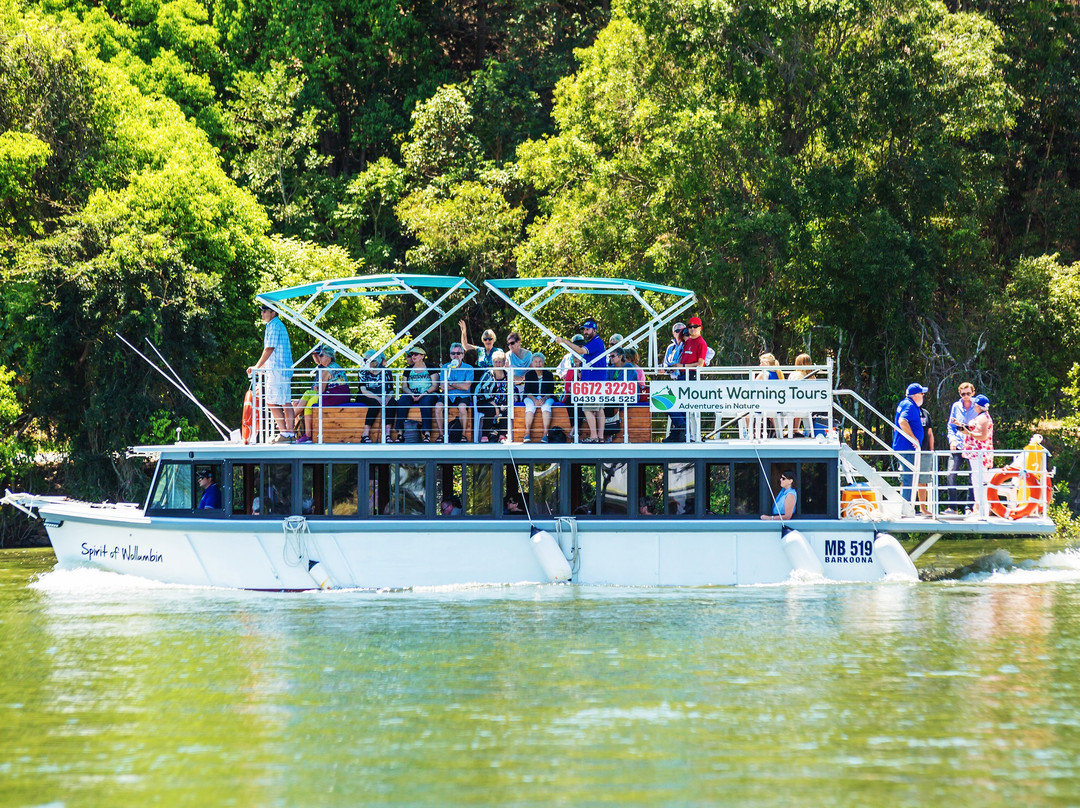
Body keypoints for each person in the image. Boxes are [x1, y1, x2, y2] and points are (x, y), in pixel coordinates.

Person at [248, 303, 295, 443]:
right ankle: (289, 434)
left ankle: (285, 434)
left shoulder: (274, 325)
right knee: (285, 402)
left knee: (271, 401)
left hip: (277, 370)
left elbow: (269, 348)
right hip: (281, 369)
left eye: (264, 311)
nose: (262, 314)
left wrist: (257, 366)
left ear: (273, 312)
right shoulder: (278, 325)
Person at [555, 318, 607, 442]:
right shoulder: (596, 342)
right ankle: (599, 436)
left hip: (593, 382)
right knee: (599, 409)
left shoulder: (596, 342)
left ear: (594, 330)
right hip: (596, 381)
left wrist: (563, 341)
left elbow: (580, 350)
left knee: (588, 409)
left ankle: (594, 437)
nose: (585, 332)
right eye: (584, 329)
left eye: (588, 329)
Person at [291, 344, 351, 444]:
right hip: (341, 395)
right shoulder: (336, 367)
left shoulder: (326, 370)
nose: (319, 357)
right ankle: (290, 420)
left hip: (334, 397)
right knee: (308, 393)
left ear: (329, 357)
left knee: (309, 403)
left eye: (322, 355)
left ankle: (308, 435)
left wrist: (317, 389)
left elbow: (321, 391)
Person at [667, 316, 708, 442]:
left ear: (700, 328)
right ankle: (680, 430)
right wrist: (675, 366)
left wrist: (682, 366)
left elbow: (700, 364)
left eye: (694, 327)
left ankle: (681, 429)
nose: (692, 329)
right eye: (690, 327)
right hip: (681, 375)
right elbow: (682, 355)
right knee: (671, 404)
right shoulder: (688, 342)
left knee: (674, 403)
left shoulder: (701, 343)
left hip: (691, 377)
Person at [390, 347, 437, 442]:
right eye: (412, 354)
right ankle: (400, 433)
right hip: (412, 393)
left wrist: (424, 393)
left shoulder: (430, 367)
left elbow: (435, 385)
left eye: (416, 354)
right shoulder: (408, 369)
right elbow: (404, 386)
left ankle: (427, 433)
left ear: (422, 356)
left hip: (428, 393)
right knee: (402, 401)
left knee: (426, 402)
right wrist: (411, 394)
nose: (413, 356)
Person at [944, 382, 977, 515]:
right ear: (959, 394)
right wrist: (952, 440)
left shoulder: (977, 406)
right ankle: (953, 507)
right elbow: (951, 426)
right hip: (958, 445)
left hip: (972, 445)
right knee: (950, 474)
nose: (966, 396)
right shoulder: (956, 406)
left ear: (973, 393)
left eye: (968, 393)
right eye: (963, 394)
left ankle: (969, 507)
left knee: (973, 476)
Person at [892, 383, 926, 503]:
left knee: (908, 476)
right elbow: (902, 421)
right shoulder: (910, 406)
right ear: (916, 395)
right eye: (922, 394)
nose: (923, 396)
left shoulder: (904, 403)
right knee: (909, 477)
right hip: (907, 447)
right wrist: (913, 438)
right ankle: (905, 506)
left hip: (903, 446)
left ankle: (905, 504)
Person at [962, 394, 994, 519]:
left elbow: (982, 436)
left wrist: (967, 432)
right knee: (977, 480)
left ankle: (981, 509)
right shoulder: (982, 417)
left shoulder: (983, 418)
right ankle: (978, 508)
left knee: (979, 480)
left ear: (978, 406)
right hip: (977, 454)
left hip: (979, 454)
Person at [434, 342, 474, 441]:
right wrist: (458, 384)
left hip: (463, 396)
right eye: (453, 353)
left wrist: (451, 384)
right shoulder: (445, 367)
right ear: (450, 355)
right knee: (438, 407)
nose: (455, 356)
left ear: (463, 355)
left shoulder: (469, 368)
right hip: (448, 395)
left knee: (462, 407)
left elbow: (466, 387)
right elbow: (443, 387)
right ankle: (441, 434)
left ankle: (463, 435)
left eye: (458, 353)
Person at [475, 350, 510, 443]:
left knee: (507, 407)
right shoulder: (488, 375)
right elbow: (484, 392)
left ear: (503, 363)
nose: (497, 364)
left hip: (501, 402)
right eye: (495, 361)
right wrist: (495, 406)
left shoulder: (507, 375)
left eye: (499, 361)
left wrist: (514, 397)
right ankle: (484, 435)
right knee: (490, 409)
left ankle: (502, 435)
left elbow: (512, 388)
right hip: (484, 401)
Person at [748, 352, 784, 440]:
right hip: (776, 405)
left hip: (765, 406)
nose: (760, 365)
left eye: (761, 363)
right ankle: (779, 433)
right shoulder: (778, 374)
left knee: (747, 413)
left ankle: (750, 435)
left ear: (766, 363)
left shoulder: (764, 374)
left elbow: (752, 389)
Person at [357, 350, 391, 443]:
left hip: (382, 394)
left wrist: (387, 397)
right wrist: (378, 398)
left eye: (369, 360)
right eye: (365, 360)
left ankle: (387, 434)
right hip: (366, 394)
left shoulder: (386, 371)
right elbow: (363, 390)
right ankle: (365, 434)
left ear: (376, 362)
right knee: (375, 403)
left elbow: (390, 389)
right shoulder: (363, 371)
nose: (365, 362)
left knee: (392, 403)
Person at [522, 353, 557, 442]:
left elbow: (551, 391)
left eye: (540, 362)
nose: (538, 364)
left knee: (546, 406)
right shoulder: (529, 374)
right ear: (532, 363)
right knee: (530, 406)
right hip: (531, 397)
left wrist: (544, 398)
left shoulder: (548, 374)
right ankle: (527, 433)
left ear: (543, 363)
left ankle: (545, 434)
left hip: (546, 397)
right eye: (536, 362)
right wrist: (534, 400)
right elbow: (527, 391)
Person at [787, 353, 816, 437]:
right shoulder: (812, 377)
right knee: (799, 406)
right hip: (808, 407)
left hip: (794, 405)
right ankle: (797, 430)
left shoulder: (795, 375)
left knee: (794, 406)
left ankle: (793, 430)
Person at [916, 403, 936, 516]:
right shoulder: (907, 412)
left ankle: (923, 508)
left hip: (924, 451)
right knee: (906, 480)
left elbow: (929, 432)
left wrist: (931, 450)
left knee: (922, 481)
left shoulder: (925, 413)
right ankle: (905, 507)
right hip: (911, 451)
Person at [505, 332, 533, 396]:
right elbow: (506, 371)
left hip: (527, 384)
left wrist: (522, 378)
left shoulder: (528, 354)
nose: (510, 346)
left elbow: (531, 369)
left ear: (519, 341)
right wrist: (514, 377)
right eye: (508, 344)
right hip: (512, 385)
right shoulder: (507, 355)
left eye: (512, 343)